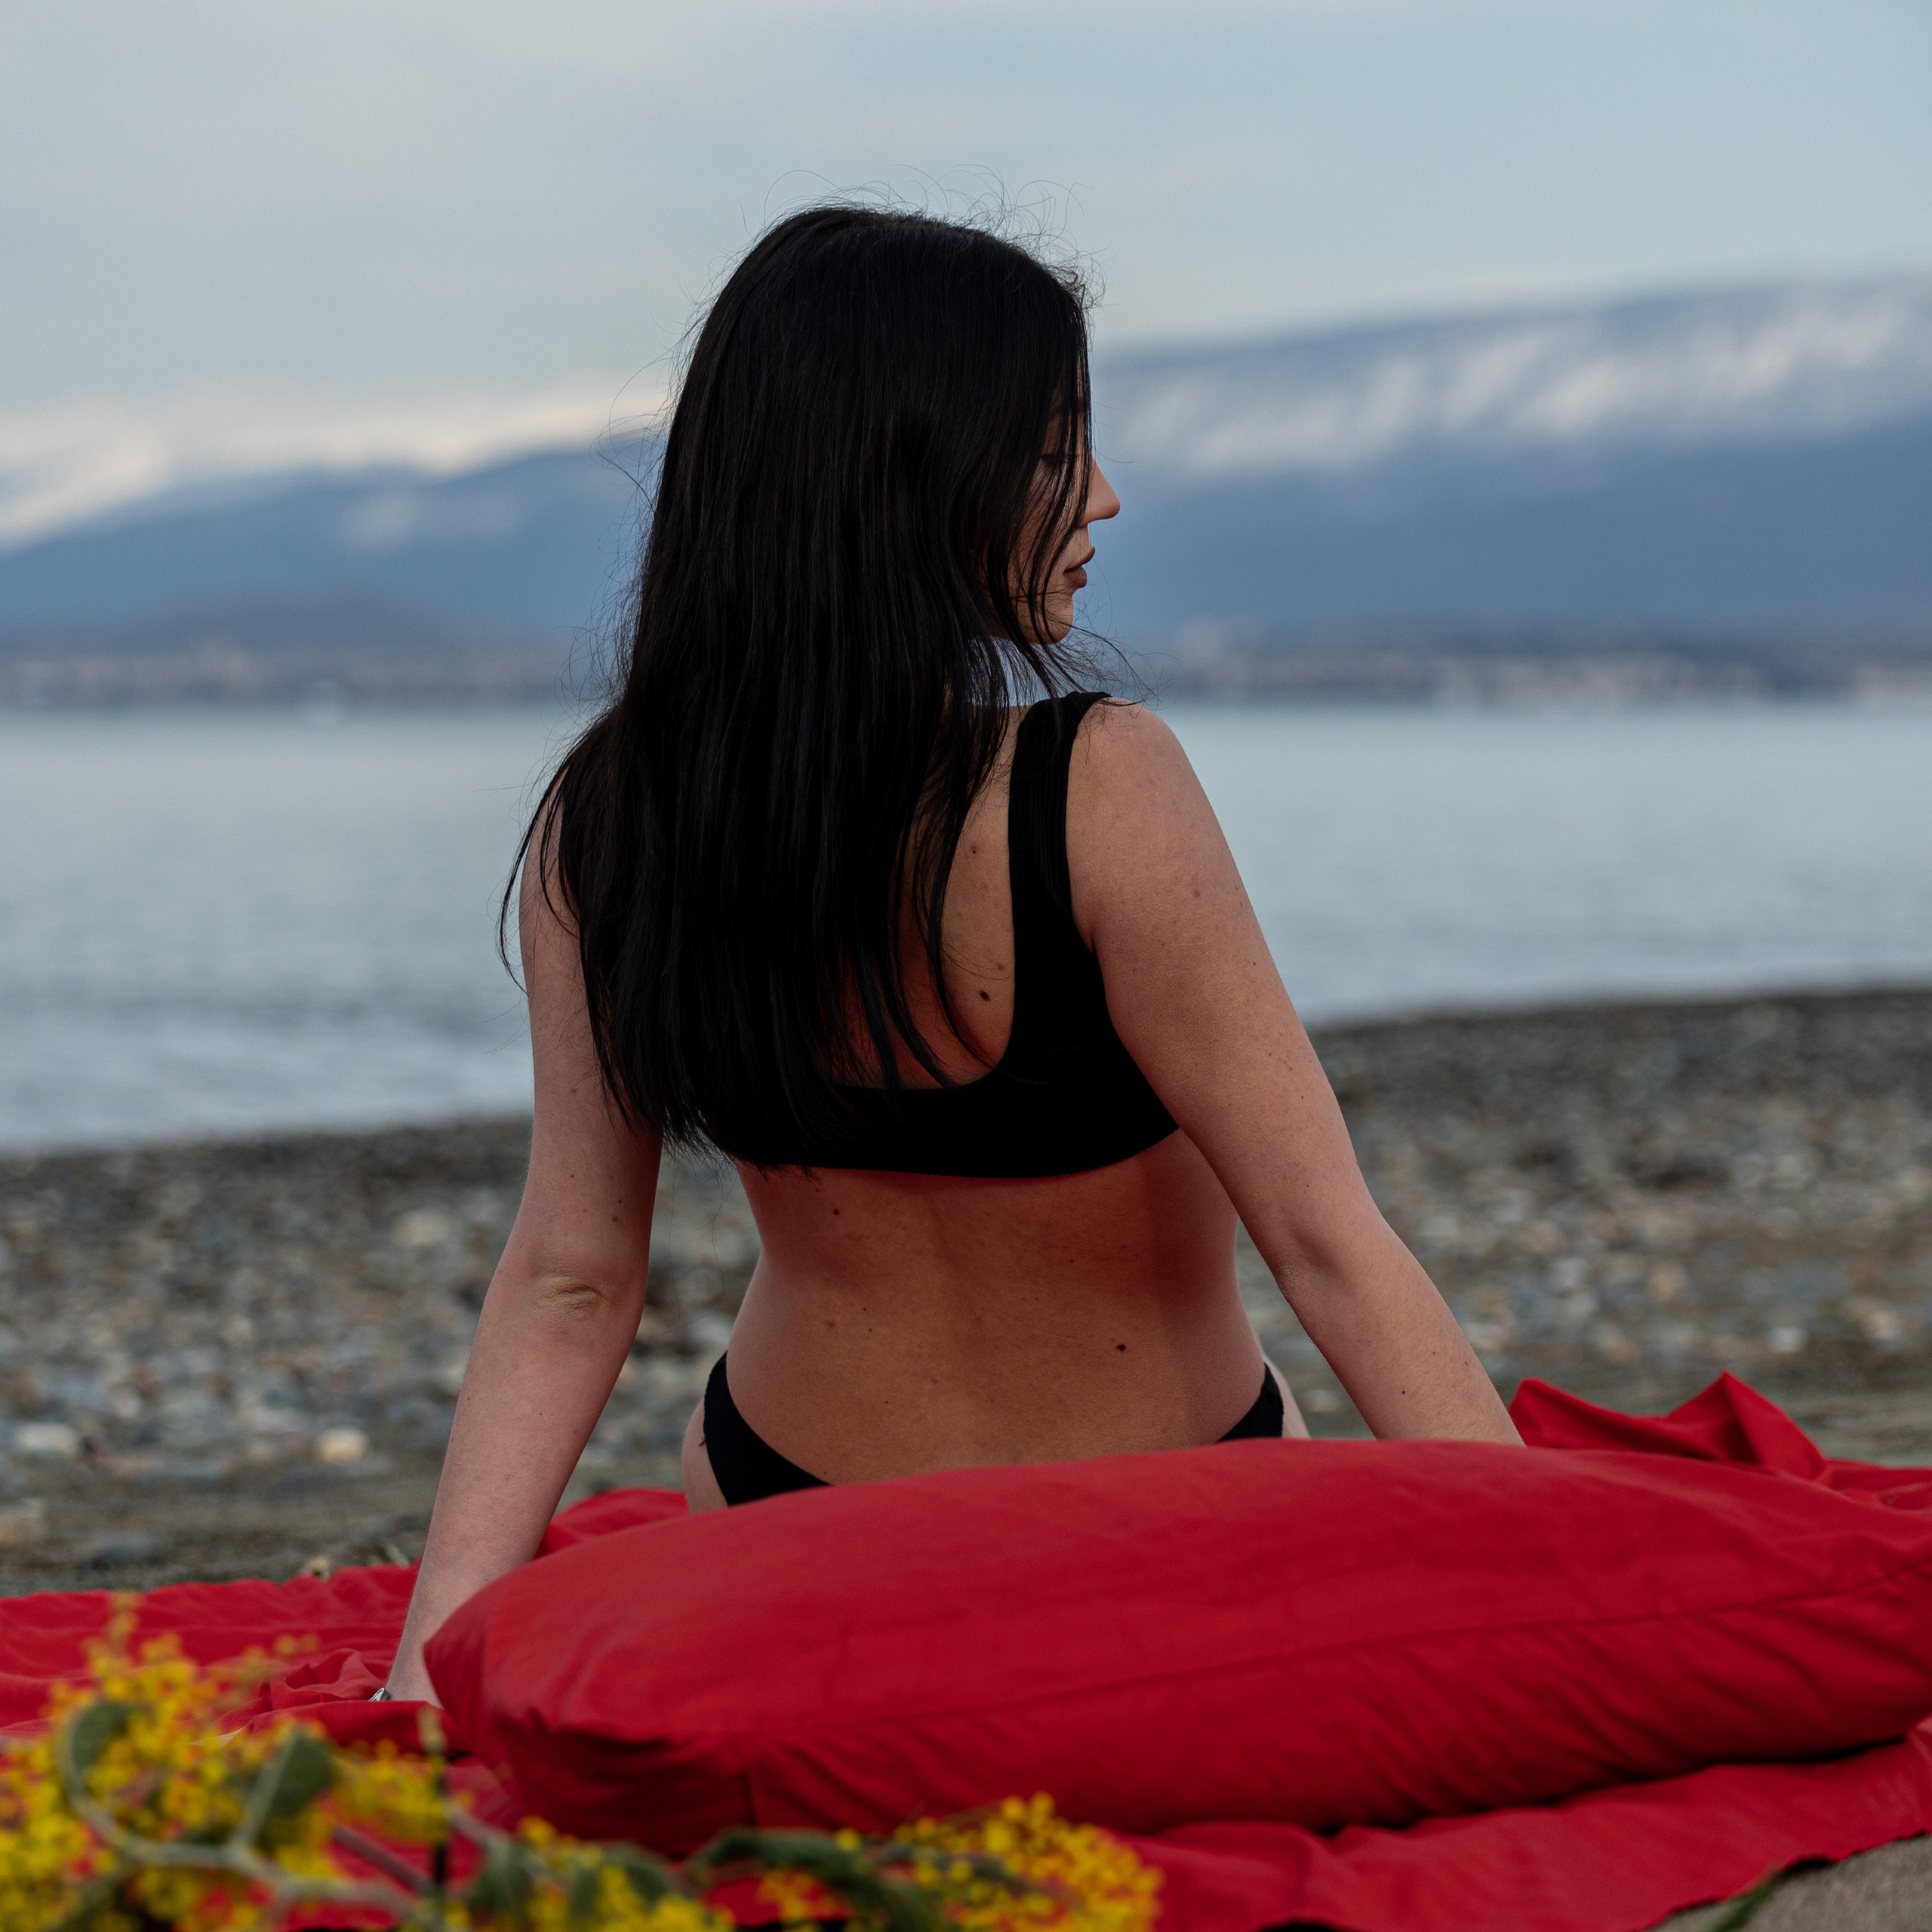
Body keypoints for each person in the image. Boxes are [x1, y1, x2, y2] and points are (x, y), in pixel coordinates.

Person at [380, 206, 1518, 1703]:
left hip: (783, 1515)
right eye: (1049, 454)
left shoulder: (611, 821)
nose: (1102, 496)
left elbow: (570, 1281)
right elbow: (1323, 1238)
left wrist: (425, 1667)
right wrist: (1558, 1575)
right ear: (903, 482)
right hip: (1158, 1533)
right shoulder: (1097, 784)